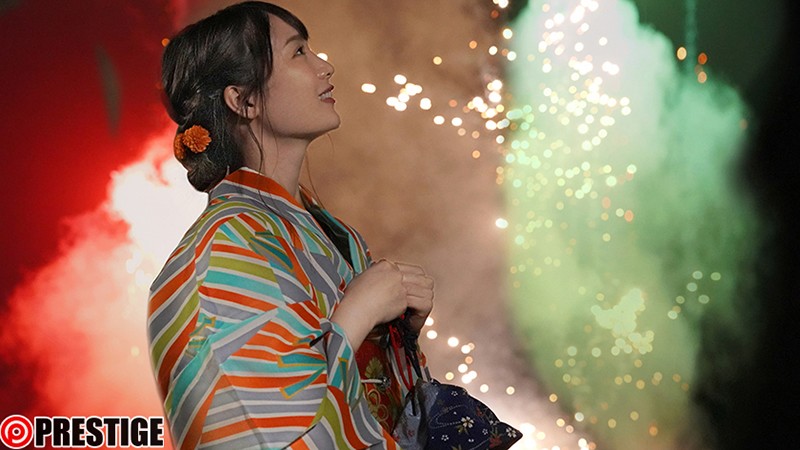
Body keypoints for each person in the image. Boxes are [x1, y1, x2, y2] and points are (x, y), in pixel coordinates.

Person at [147, 2, 435, 449]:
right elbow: (256, 433)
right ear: (244, 100)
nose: (325, 66)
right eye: (298, 52)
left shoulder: (334, 233)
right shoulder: (222, 248)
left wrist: (396, 335)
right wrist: (359, 312)